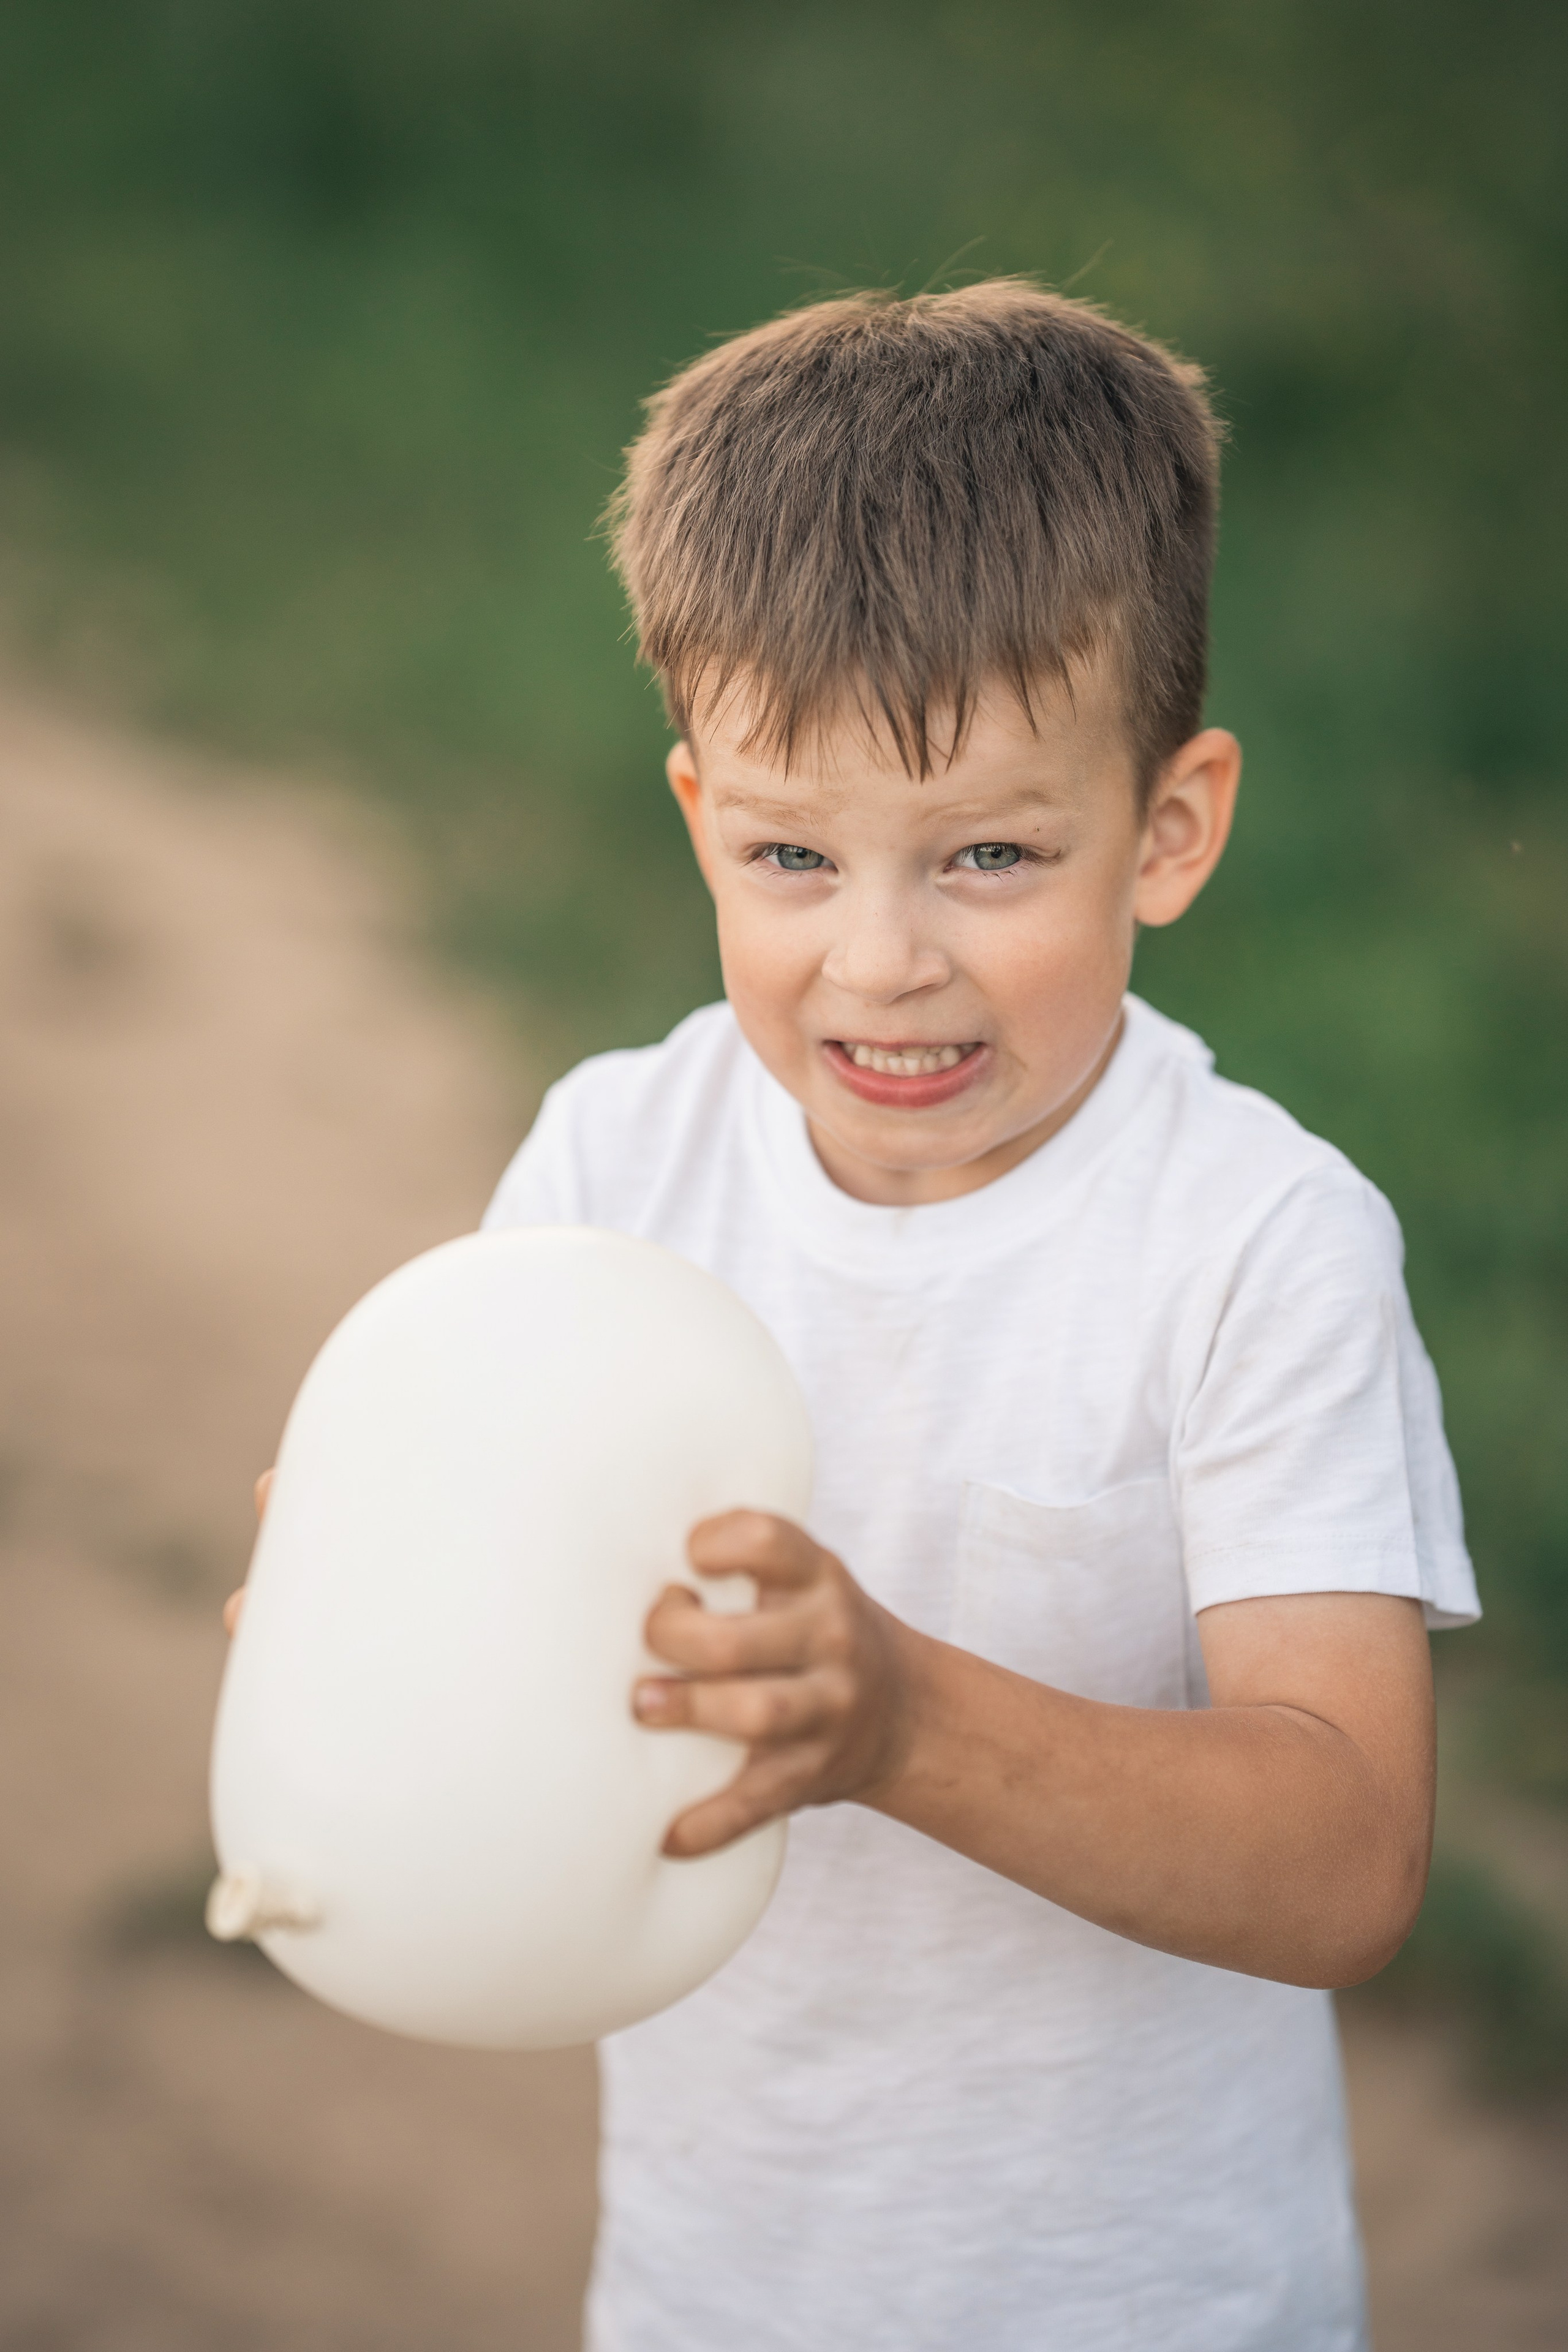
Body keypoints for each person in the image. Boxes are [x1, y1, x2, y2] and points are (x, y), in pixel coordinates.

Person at [249, 281, 1479, 2349]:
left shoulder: (1261, 1244)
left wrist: (898, 1724)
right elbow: (498, 1635)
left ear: (1170, 831)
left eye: (990, 854)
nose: (881, 960)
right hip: (712, 2289)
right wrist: (364, 1612)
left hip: (1148, 2308)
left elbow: (1351, 1855)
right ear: (696, 820)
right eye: (795, 855)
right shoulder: (613, 1167)